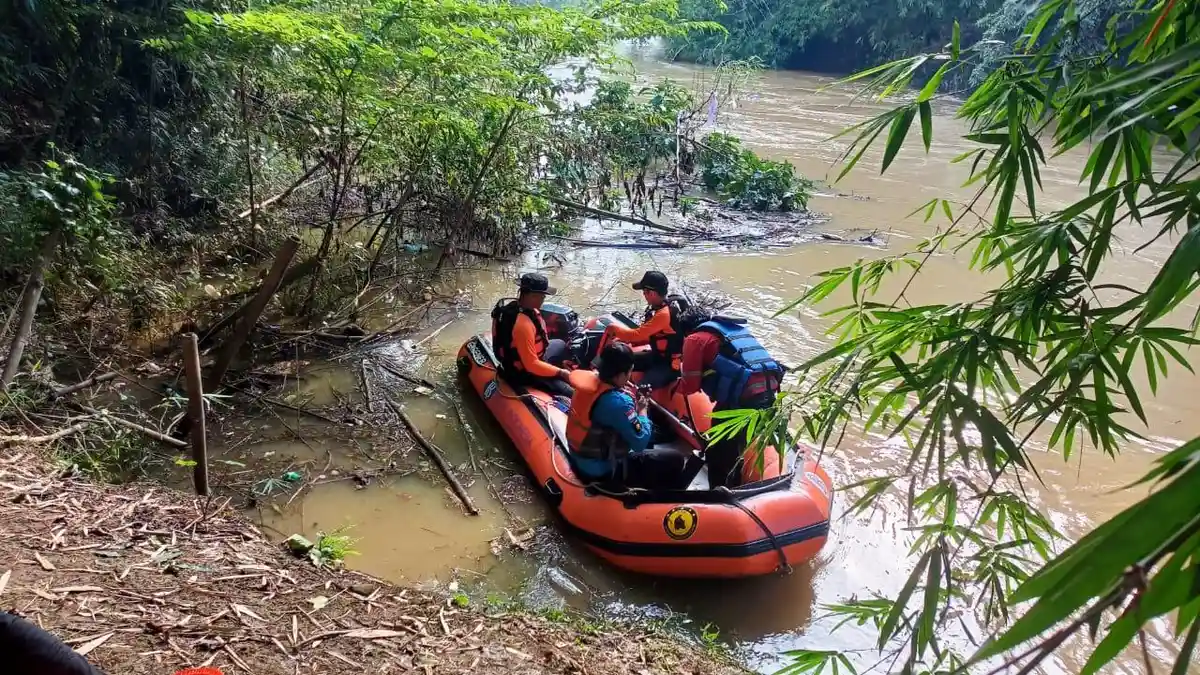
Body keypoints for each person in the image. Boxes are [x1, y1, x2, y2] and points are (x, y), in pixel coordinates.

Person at [677, 308, 785, 488]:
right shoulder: (731, 331)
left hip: (741, 402)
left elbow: (690, 386)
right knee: (736, 449)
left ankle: (719, 494)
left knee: (718, 452)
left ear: (687, 329)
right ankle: (735, 486)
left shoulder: (695, 339)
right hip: (768, 395)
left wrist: (675, 386)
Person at [565, 341, 695, 489]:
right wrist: (642, 409)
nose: (629, 377)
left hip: (580, 455)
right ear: (621, 374)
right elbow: (640, 443)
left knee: (654, 439)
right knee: (675, 459)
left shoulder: (589, 382)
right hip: (601, 469)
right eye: (629, 372)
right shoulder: (619, 402)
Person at [491, 273, 573, 397]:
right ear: (533, 296)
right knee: (571, 392)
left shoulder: (514, 308)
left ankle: (558, 366)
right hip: (524, 372)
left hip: (526, 359)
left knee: (560, 343)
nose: (543, 300)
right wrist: (561, 373)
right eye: (542, 297)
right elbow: (532, 365)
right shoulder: (522, 324)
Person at [603, 270, 685, 390]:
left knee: (641, 390)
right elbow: (652, 335)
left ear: (651, 293)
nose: (644, 295)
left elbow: (637, 334)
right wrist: (624, 339)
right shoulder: (660, 307)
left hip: (668, 365)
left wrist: (614, 329)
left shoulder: (664, 314)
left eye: (644, 292)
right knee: (619, 360)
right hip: (656, 356)